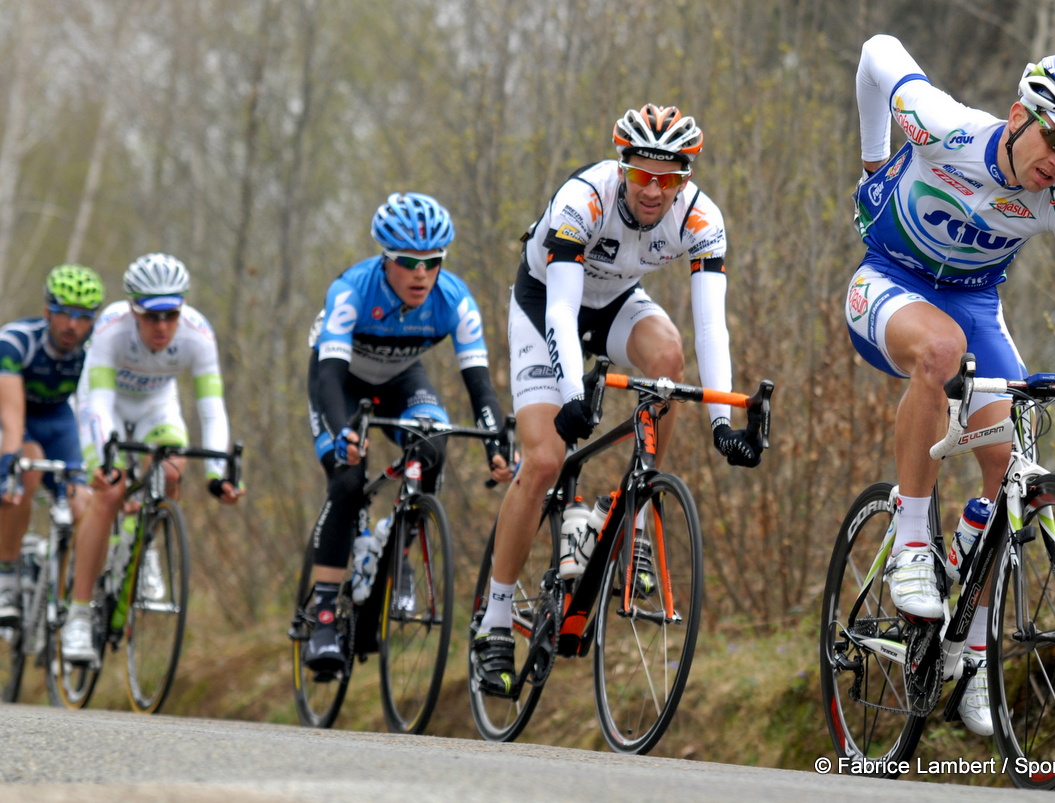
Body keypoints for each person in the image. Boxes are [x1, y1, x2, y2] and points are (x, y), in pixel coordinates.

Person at [846, 35, 1055, 736]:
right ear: (1018, 115)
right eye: (1053, 140)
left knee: (1015, 469)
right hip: (889, 284)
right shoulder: (944, 126)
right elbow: (878, 52)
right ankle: (910, 544)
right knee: (940, 351)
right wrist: (874, 158)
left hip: (972, 306)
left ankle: (969, 654)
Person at [472, 103, 763, 697]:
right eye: (642, 175)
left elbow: (713, 328)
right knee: (546, 460)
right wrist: (574, 394)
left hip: (612, 303)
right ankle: (496, 618)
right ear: (623, 165)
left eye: (670, 178)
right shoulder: (585, 199)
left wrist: (722, 422)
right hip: (544, 301)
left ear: (685, 177)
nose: (655, 190)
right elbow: (559, 308)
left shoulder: (701, 218)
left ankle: (628, 510)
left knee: (669, 358)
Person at [302, 191, 514, 672]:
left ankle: (398, 545)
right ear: (385, 258)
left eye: (432, 262)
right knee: (348, 480)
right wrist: (343, 433)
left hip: (401, 380)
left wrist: (496, 440)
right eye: (407, 262)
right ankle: (325, 613)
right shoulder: (352, 290)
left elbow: (478, 383)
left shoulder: (455, 299)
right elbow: (330, 376)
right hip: (338, 379)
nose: (421, 273)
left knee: (432, 447)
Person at [64, 253, 242, 663]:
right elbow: (100, 405)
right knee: (110, 492)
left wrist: (219, 474)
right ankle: (77, 614)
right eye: (151, 317)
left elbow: (211, 408)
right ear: (133, 310)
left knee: (171, 473)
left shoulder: (197, 334)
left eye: (171, 315)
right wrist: (106, 466)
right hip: (102, 406)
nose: (162, 327)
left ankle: (144, 551)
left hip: (155, 407)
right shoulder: (111, 329)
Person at [0, 266, 105, 625]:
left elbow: (94, 415)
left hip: (60, 422)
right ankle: (7, 573)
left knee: (84, 503)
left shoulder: (93, 352)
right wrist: (7, 469)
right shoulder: (16, 342)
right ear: (47, 311)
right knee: (26, 471)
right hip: (18, 419)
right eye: (64, 313)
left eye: (83, 317)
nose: (72, 325)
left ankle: (73, 600)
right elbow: (12, 419)